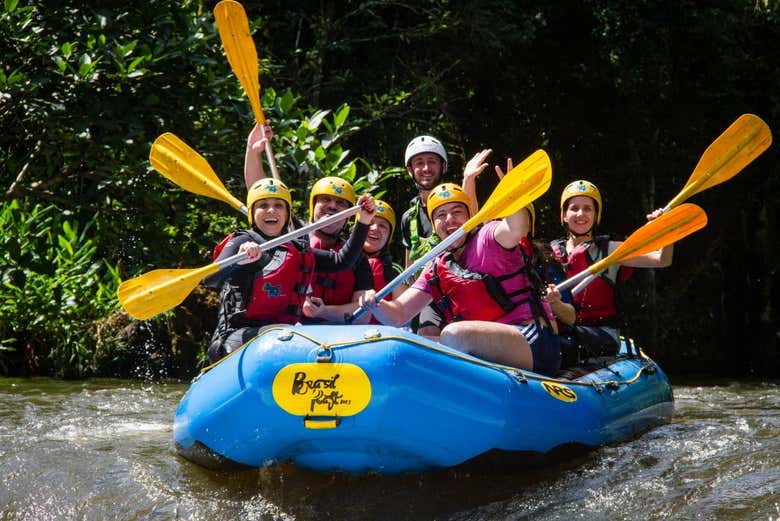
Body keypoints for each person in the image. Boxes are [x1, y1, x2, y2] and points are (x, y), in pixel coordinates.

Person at [359, 182, 562, 376]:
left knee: (453, 335)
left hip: (533, 340)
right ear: (434, 225)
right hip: (487, 343)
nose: (449, 219)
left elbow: (516, 228)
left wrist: (513, 197)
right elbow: (399, 314)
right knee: (417, 342)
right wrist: (375, 304)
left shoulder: (489, 237)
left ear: (469, 217)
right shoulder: (436, 267)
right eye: (441, 214)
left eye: (457, 212)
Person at [205, 178, 376, 362]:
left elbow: (341, 261)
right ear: (252, 212)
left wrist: (364, 222)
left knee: (303, 342)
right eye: (263, 205)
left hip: (280, 335)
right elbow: (209, 279)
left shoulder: (296, 249)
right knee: (286, 337)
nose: (271, 210)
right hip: (235, 337)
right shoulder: (241, 242)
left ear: (287, 214)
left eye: (279, 205)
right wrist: (237, 261)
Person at [551, 179, 672, 361]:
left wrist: (667, 227)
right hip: (562, 328)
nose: (580, 214)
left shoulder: (612, 250)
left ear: (596, 215)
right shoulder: (550, 254)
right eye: (574, 208)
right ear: (564, 215)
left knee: (558, 345)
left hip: (602, 333)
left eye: (588, 208)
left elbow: (662, 259)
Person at [299, 176, 375, 324]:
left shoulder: (356, 256)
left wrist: (324, 311)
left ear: (349, 215)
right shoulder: (294, 242)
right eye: (326, 199)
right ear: (312, 206)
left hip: (339, 334)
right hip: (295, 329)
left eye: (340, 203)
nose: (333, 206)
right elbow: (261, 190)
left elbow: (363, 315)